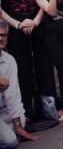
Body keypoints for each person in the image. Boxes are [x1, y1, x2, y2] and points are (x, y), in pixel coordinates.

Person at [0, 0, 53, 120]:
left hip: (38, 27)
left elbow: (44, 4)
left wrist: (35, 21)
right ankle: (26, 112)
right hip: (16, 30)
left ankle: (49, 108)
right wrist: (18, 25)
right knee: (22, 69)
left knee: (43, 66)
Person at [0, 20, 39, 148]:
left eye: (3, 35)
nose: (1, 39)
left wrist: (18, 126)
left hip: (3, 111)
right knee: (10, 141)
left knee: (21, 121)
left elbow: (13, 95)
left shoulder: (9, 60)